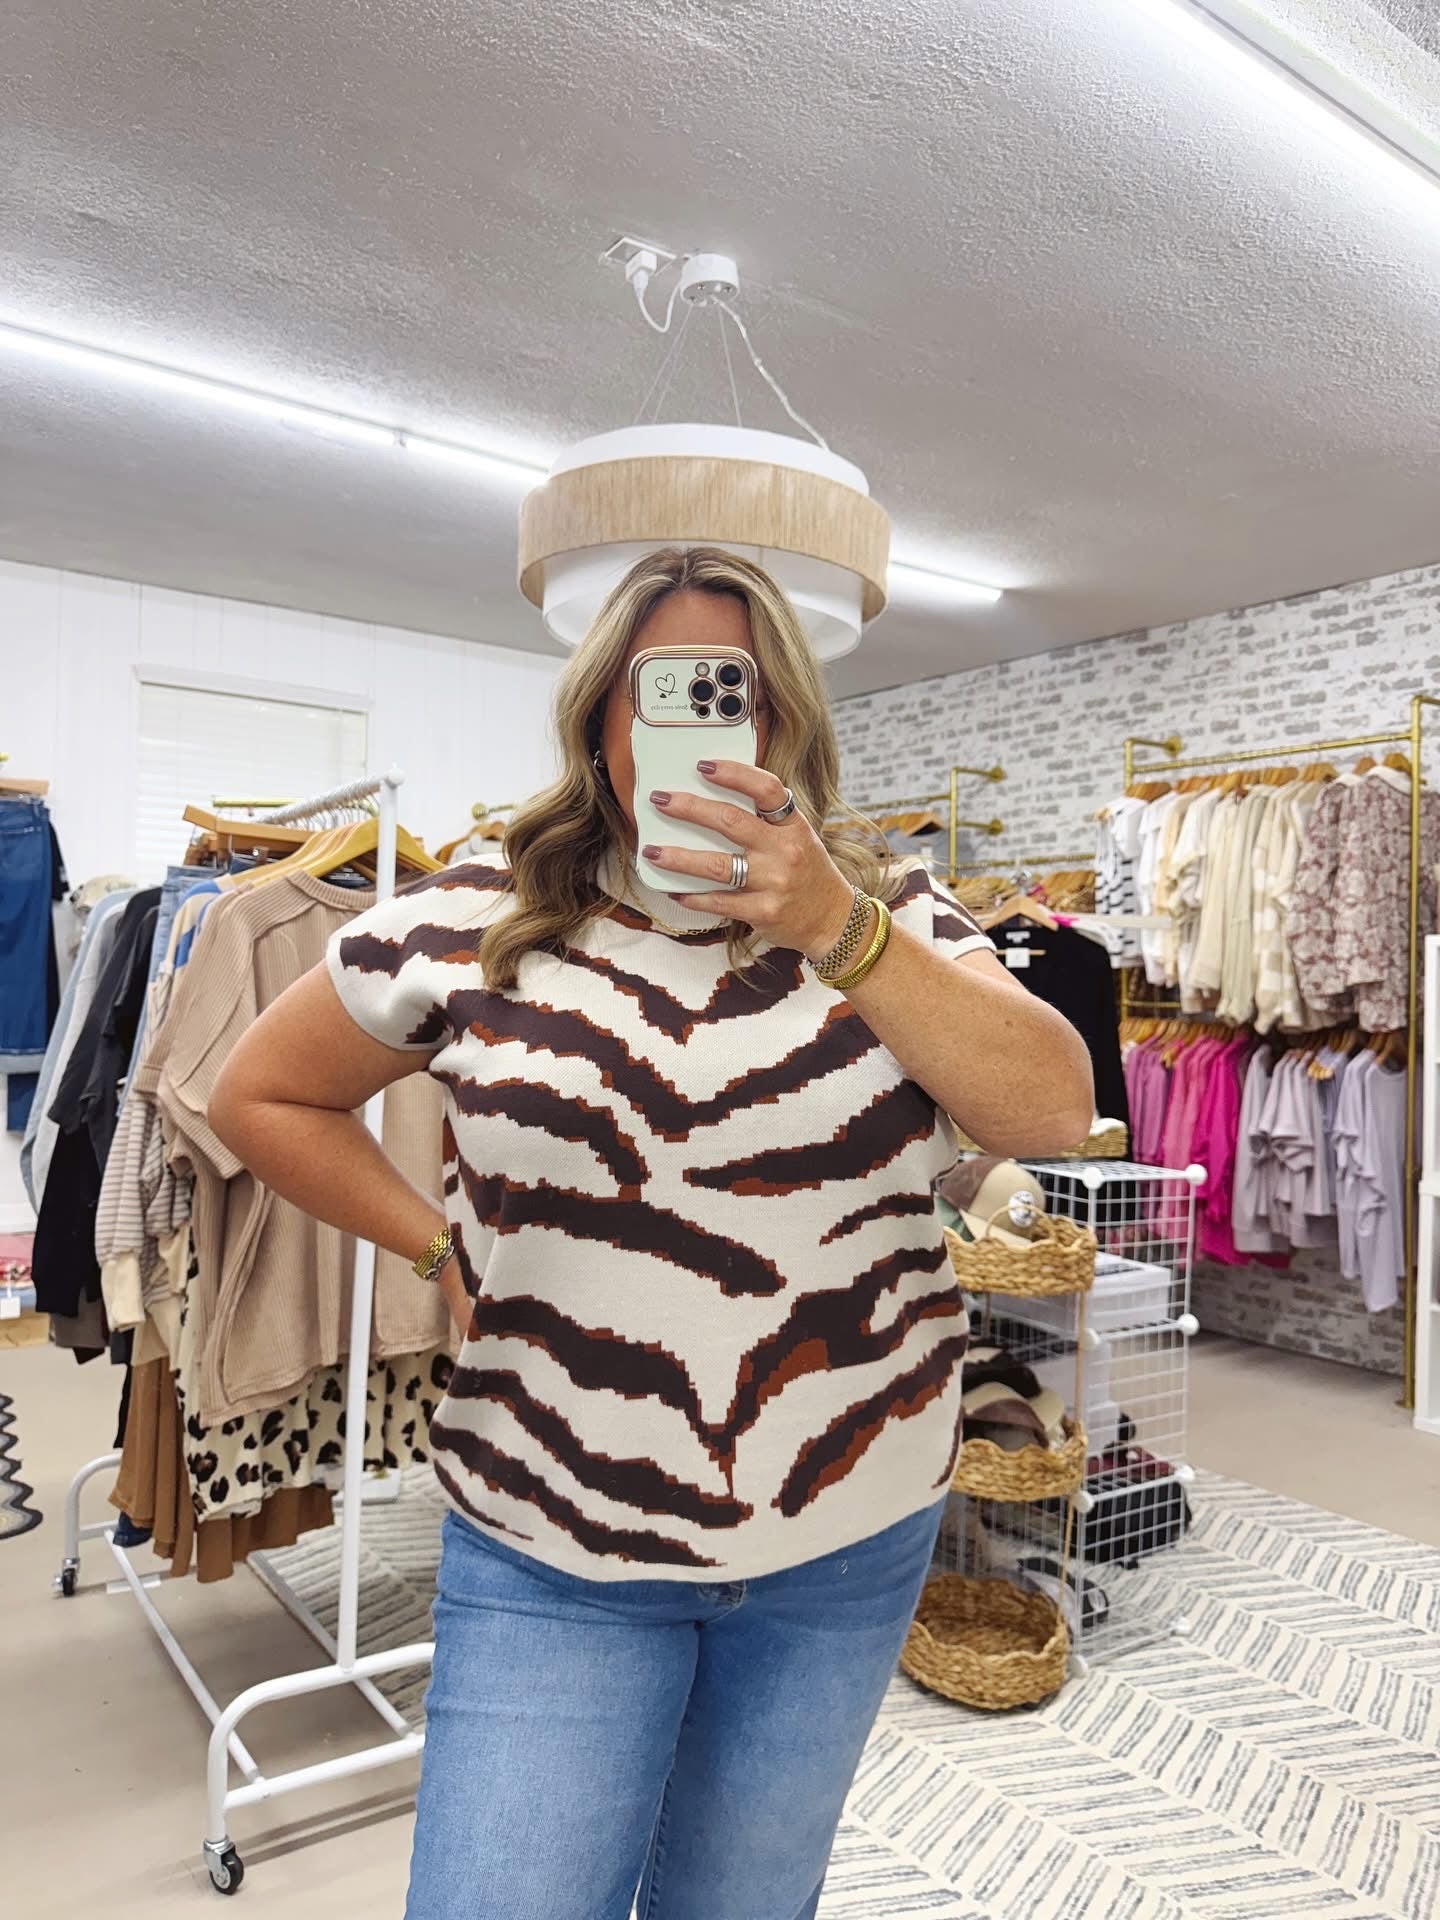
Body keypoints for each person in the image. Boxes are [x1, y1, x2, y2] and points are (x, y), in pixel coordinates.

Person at [209, 545, 1093, 1920]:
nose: (700, 724)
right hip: (552, 1537)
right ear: (599, 723)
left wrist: (836, 928)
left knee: (744, 1902)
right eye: (659, 689)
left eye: (735, 691)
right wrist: (437, 1252)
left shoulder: (895, 913)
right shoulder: (471, 914)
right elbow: (260, 1096)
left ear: (785, 721)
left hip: (846, 1535)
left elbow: (1052, 1111)